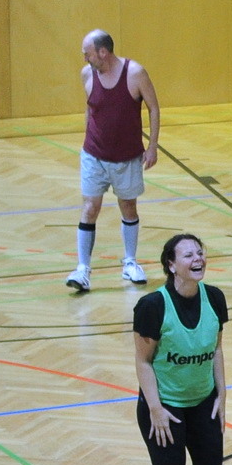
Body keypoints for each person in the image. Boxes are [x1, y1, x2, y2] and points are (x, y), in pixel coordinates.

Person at [131, 233, 232, 465]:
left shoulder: (215, 298)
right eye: (188, 254)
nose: (198, 259)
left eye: (200, 253)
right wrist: (155, 408)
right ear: (171, 265)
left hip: (203, 402)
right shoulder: (152, 306)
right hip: (166, 409)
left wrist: (222, 394)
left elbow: (216, 349)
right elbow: (143, 362)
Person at [68, 30, 161, 294]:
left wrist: (152, 147)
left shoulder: (135, 74)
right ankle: (83, 269)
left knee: (128, 207)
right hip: (94, 155)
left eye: (87, 53)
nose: (85, 59)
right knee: (90, 207)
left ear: (103, 52)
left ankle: (130, 262)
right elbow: (91, 108)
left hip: (127, 157)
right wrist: (88, 139)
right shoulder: (87, 74)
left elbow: (154, 108)